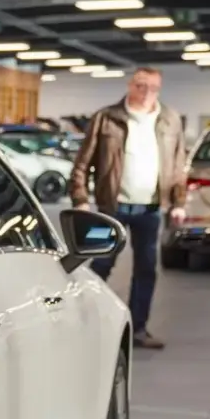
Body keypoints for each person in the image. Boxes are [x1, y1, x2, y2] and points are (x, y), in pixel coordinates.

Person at [69, 66, 187, 349]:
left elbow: (179, 164)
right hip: (111, 208)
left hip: (151, 209)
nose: (146, 93)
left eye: (153, 88)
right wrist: (80, 199)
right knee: (100, 264)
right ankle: (86, 324)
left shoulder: (170, 120)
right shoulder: (106, 118)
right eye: (141, 86)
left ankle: (138, 329)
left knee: (146, 268)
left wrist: (179, 202)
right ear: (130, 85)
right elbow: (82, 164)